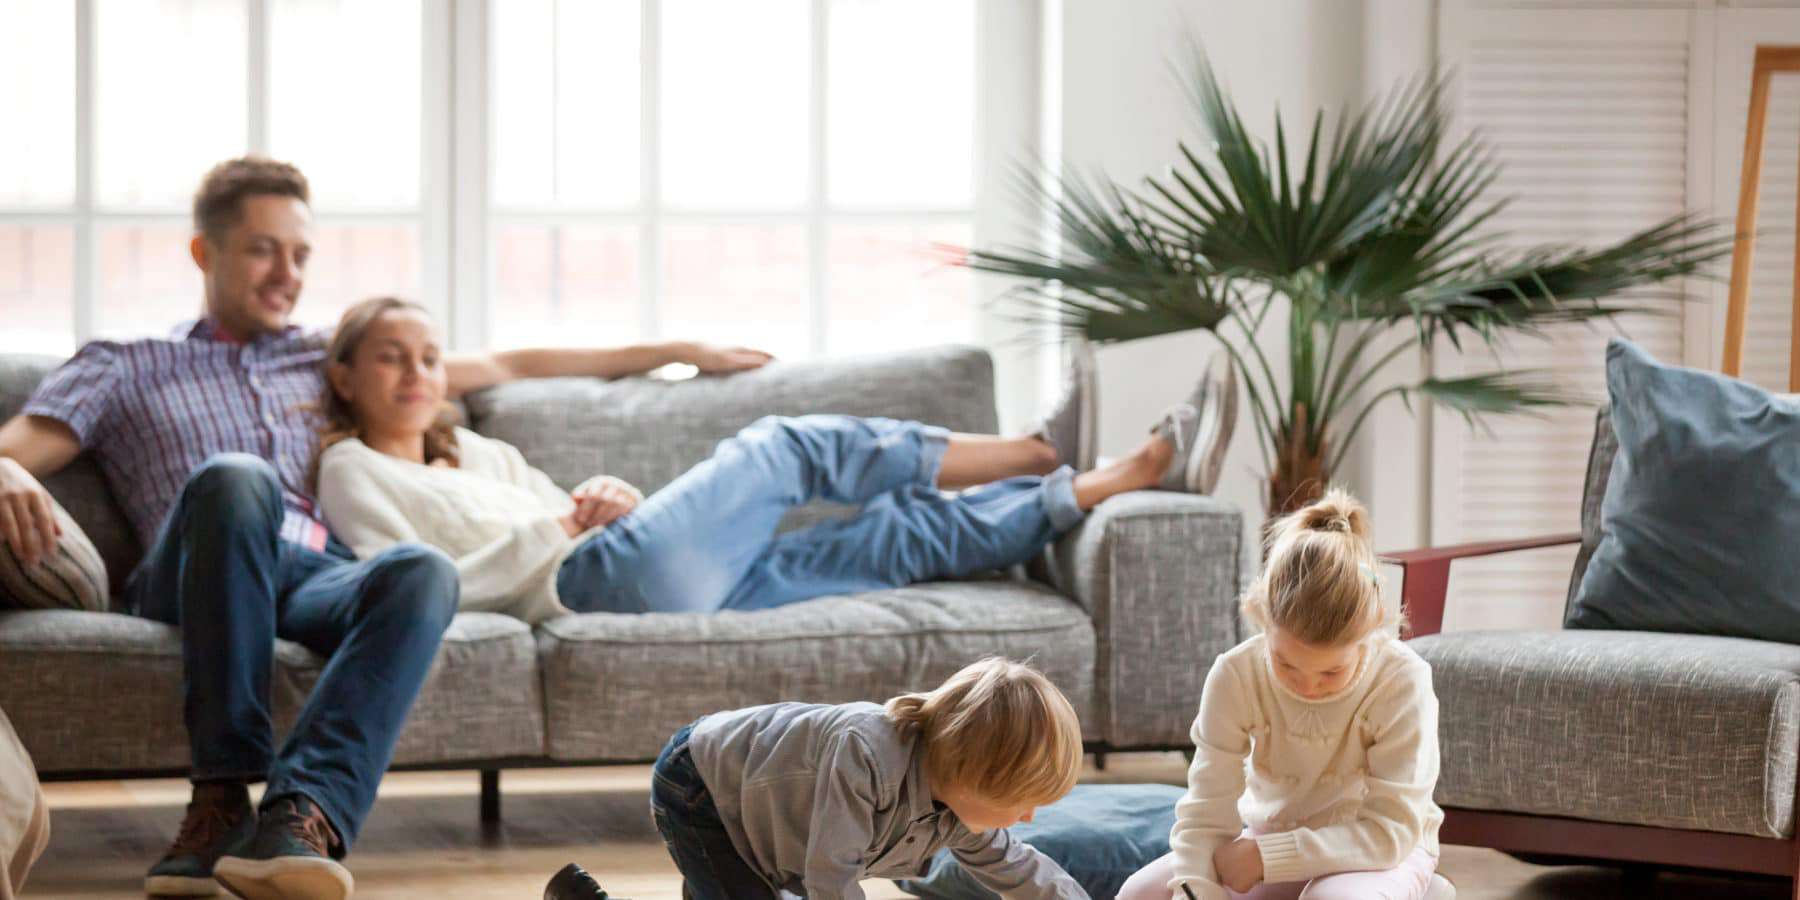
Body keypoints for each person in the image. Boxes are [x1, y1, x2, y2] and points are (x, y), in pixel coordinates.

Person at [0, 157, 772, 900]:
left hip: (307, 573)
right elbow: (22, 447)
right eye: (263, 250)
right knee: (238, 477)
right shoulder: (127, 363)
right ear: (205, 252)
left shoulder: (322, 356)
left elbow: (510, 362)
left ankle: (299, 822)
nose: (287, 273)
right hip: (195, 570)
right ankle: (219, 797)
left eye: (300, 253)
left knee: (419, 569)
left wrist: (675, 351)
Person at [310, 296, 1225, 622]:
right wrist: (562, 527)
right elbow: (403, 584)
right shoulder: (351, 471)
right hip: (587, 583)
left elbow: (571, 503)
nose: (417, 373)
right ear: (345, 376)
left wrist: (607, 493)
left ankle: (1108, 479)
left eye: (429, 356)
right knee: (785, 446)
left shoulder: (475, 450)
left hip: (636, 566)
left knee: (890, 539)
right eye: (391, 356)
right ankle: (1034, 447)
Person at [1116, 490, 1455, 900]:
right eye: (1286, 664)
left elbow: (1389, 833)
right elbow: (1205, 813)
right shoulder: (1235, 673)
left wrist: (1265, 857)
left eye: (1332, 671)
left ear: (1370, 632)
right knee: (1140, 893)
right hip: (1270, 836)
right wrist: (1199, 891)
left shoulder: (1403, 681)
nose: (1307, 685)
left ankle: (1417, 889)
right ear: (1261, 616)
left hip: (1382, 851)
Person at [550, 657, 1089, 900]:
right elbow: (831, 877)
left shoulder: (960, 808)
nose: (1027, 818)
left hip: (766, 813)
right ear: (973, 776)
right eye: (1019, 802)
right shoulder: (866, 752)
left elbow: (1019, 869)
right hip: (703, 785)